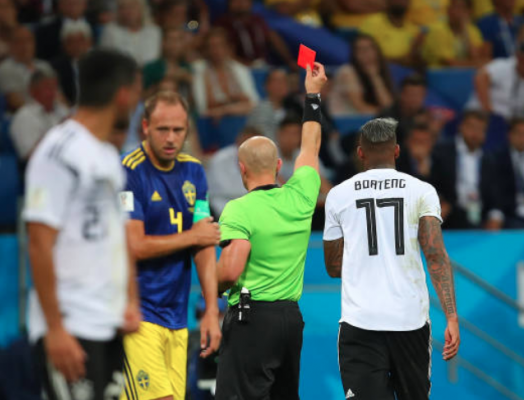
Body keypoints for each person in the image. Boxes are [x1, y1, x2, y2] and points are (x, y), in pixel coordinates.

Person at [24, 49, 141, 400]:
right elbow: (38, 242)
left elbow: (119, 235)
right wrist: (55, 329)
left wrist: (130, 300)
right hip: (72, 323)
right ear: (123, 93)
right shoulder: (59, 151)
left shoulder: (106, 155)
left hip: (110, 322)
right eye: (137, 91)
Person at [323, 118, 460, 400]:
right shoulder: (422, 191)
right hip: (409, 321)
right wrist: (451, 316)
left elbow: (333, 267)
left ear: (360, 153)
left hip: (360, 322)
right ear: (397, 151)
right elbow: (435, 255)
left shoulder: (338, 195)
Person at [215, 62, 326, 400]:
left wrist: (213, 283)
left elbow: (232, 269)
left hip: (252, 319)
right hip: (290, 320)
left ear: (241, 168)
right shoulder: (301, 196)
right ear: (279, 166)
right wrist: (313, 95)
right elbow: (310, 147)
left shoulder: (238, 209)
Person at [119, 90, 222, 400]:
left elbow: (204, 246)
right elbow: (134, 245)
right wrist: (193, 236)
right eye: (163, 129)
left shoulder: (194, 171)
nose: (170, 138)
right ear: (146, 127)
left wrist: (211, 311)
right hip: (138, 315)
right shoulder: (128, 171)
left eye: (178, 130)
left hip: (177, 318)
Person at [192, 28, 259, 118]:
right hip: (210, 121)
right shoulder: (199, 69)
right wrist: (236, 99)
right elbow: (203, 107)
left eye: (220, 45)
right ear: (206, 50)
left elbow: (253, 103)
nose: (216, 50)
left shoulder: (240, 69)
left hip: (240, 117)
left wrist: (224, 109)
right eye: (212, 46)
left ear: (228, 48)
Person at [214, 0, 298, 70]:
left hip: (262, 65)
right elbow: (222, 50)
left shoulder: (257, 20)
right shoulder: (223, 24)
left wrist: (289, 60)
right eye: (236, 1)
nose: (240, 3)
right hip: (238, 68)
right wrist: (245, 65)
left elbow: (273, 38)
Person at [10, 69, 69, 162]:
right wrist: (59, 131)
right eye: (47, 88)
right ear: (32, 91)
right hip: (40, 170)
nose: (52, 93)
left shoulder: (62, 111)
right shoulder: (24, 116)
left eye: (54, 87)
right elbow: (31, 155)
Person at [329, 34, 394, 116]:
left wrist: (375, 77)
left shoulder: (380, 71)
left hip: (367, 121)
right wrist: (389, 114)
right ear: (354, 54)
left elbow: (388, 105)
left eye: (369, 48)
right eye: (360, 50)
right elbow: (360, 107)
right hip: (344, 121)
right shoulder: (347, 71)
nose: (365, 53)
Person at [0, 26, 54, 112]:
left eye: (29, 40)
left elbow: (58, 95)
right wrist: (42, 113)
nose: (26, 45)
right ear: (11, 45)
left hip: (51, 113)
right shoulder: (5, 68)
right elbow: (14, 101)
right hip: (26, 115)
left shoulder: (44, 66)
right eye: (20, 41)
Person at [470, 25, 524, 120]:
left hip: (512, 123)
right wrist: (488, 110)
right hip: (484, 117)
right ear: (518, 57)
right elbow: (481, 77)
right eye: (521, 57)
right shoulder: (505, 65)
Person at [207, 126, 261, 216]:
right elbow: (221, 193)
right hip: (220, 208)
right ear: (238, 142)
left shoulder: (264, 161)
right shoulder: (220, 159)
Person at [483, 118, 524, 229]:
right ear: (509, 135)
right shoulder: (496, 158)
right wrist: (496, 214)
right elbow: (494, 191)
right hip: (510, 212)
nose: (522, 138)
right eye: (519, 133)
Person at [422, 0, 489, 68]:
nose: (453, 11)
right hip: (441, 75)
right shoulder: (438, 30)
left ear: (469, 12)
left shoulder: (473, 31)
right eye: (451, 6)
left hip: (465, 74)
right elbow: (449, 63)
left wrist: (465, 32)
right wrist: (475, 65)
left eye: (459, 7)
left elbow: (476, 57)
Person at [360, 0, 423, 67]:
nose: (400, 2)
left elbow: (413, 60)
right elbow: (364, 56)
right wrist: (399, 61)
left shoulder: (414, 29)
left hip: (406, 72)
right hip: (379, 70)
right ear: (387, 2)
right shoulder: (372, 23)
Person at [99, 0, 162, 66]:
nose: (128, 11)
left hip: (150, 73)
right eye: (123, 8)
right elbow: (105, 59)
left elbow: (156, 59)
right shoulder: (110, 30)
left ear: (141, 9)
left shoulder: (154, 31)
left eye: (132, 7)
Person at [50, 19, 93, 106]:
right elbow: (58, 95)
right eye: (71, 42)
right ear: (64, 45)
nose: (76, 46)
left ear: (89, 42)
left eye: (81, 41)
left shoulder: (98, 64)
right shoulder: (56, 67)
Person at [142, 28, 193, 100]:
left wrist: (191, 81)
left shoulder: (187, 67)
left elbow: (195, 101)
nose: (175, 44)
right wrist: (161, 84)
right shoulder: (151, 68)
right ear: (163, 43)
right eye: (171, 39)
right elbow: (141, 97)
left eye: (178, 40)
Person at [246, 69, 292, 141]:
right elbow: (264, 139)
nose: (281, 85)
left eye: (284, 81)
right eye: (277, 81)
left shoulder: (293, 109)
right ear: (266, 85)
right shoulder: (261, 110)